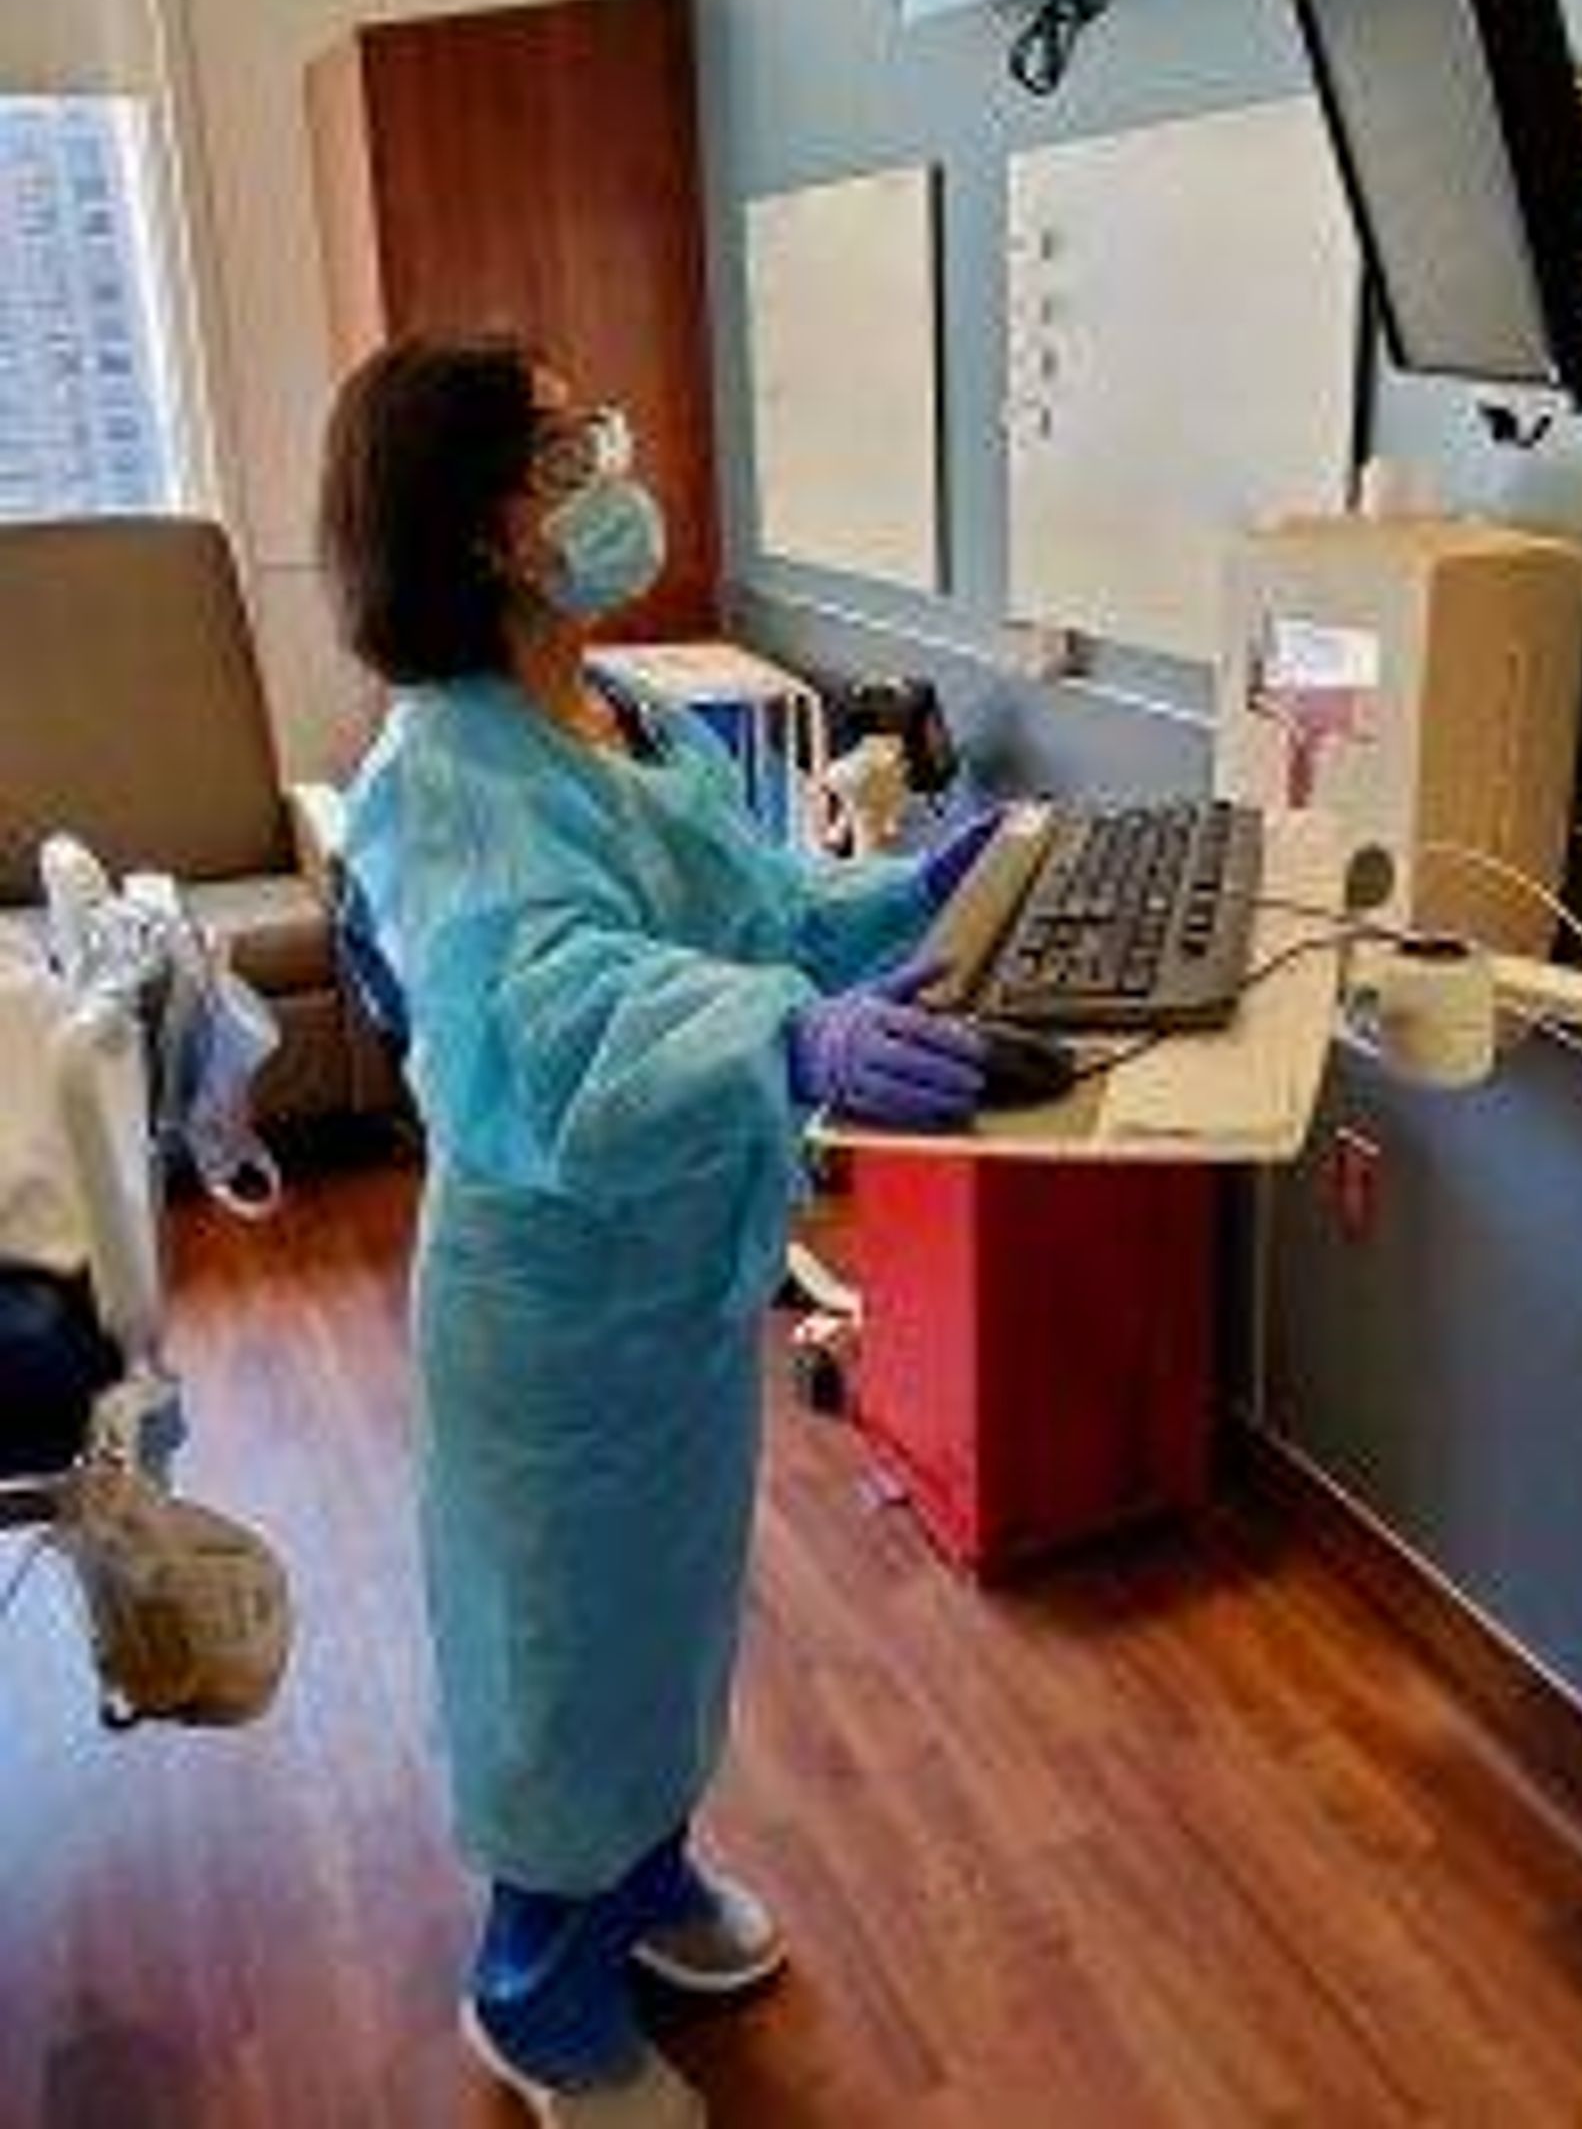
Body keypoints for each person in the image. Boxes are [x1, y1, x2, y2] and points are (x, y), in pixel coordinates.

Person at [318, 338, 997, 2129]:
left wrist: (912, 889)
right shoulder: (444, 773)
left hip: (680, 1272)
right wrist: (787, 1035)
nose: (611, 469)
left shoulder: (625, 713)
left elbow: (753, 901)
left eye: (591, 427)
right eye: (562, 453)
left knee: (668, 1617)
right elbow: (544, 1024)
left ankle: (645, 1879)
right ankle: (533, 1985)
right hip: (550, 1308)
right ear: (476, 528)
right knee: (559, 1646)